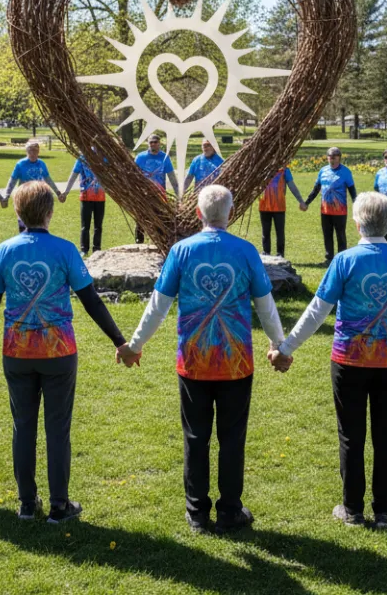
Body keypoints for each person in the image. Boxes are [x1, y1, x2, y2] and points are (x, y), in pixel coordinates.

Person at [271, 193, 387, 528]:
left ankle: (353, 510)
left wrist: (286, 348)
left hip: (349, 362)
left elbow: (317, 312)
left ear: (356, 223)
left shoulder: (345, 260)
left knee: (351, 435)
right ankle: (383, 510)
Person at [120, 185, 286, 534]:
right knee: (232, 437)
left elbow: (158, 306)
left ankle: (197, 513)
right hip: (236, 361)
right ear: (231, 213)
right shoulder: (245, 251)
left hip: (193, 361)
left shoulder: (181, 251)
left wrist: (135, 344)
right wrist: (279, 345)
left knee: (196, 437)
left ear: (197, 214)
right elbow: (265, 305)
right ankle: (229, 511)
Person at [0, 181, 127, 523]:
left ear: (17, 213)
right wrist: (119, 341)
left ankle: (26, 504)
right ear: (50, 213)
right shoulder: (66, 250)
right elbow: (91, 301)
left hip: (17, 351)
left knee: (22, 426)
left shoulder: (5, 250)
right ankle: (59, 505)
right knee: (57, 428)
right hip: (58, 352)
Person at [302, 147, 357, 263]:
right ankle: (329, 258)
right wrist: (307, 202)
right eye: (330, 156)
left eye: (335, 156)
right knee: (327, 234)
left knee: (340, 235)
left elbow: (352, 191)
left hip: (340, 211)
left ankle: (342, 258)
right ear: (327, 157)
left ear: (339, 158)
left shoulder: (346, 172)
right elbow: (316, 189)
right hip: (325, 210)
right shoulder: (323, 171)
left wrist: (357, 206)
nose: (332, 158)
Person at [133, 134, 178, 244]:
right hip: (144, 193)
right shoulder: (140, 157)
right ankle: (139, 241)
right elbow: (133, 175)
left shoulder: (165, 157)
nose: (153, 144)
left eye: (155, 142)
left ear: (159, 143)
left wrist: (178, 193)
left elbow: (171, 176)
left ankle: (159, 241)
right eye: (151, 142)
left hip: (160, 193)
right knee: (141, 217)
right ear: (148, 143)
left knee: (160, 217)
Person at [62, 153, 107, 255]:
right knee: (85, 225)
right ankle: (84, 249)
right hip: (86, 197)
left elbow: (112, 173)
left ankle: (97, 248)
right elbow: (74, 175)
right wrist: (66, 191)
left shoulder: (103, 157)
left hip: (100, 197)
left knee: (98, 225)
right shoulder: (82, 158)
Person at [257, 167, 304, 257]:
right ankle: (266, 252)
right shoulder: (262, 168)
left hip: (279, 207)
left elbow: (292, 186)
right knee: (265, 231)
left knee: (280, 232)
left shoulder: (284, 171)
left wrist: (300, 200)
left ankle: (280, 253)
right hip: (264, 206)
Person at [6, 140, 65, 207]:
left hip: (39, 197)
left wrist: (58, 192)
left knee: (40, 216)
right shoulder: (21, 164)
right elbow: (12, 181)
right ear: (26, 151)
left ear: (38, 152)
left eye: (35, 151)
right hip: (24, 196)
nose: (32, 153)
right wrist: (7, 196)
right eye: (30, 150)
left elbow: (48, 179)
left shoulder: (41, 164)